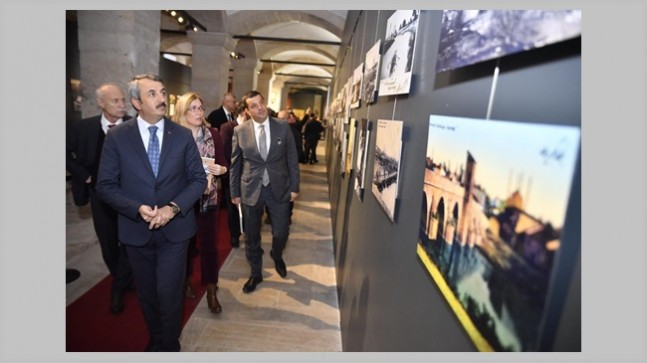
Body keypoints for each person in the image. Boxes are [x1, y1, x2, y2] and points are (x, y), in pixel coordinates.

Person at [96, 74, 207, 352]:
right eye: (152, 94)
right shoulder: (118, 136)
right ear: (136, 102)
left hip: (176, 231)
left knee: (168, 292)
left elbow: (198, 180)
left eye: (162, 92)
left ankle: (169, 345)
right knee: (146, 293)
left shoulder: (181, 135)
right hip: (136, 230)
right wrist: (136, 209)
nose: (161, 99)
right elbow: (106, 185)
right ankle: (157, 337)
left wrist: (172, 208)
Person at [66, 82, 134, 315]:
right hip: (99, 196)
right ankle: (120, 276)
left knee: (129, 240)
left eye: (123, 100)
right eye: (115, 100)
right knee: (107, 241)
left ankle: (119, 286)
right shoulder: (83, 128)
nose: (121, 104)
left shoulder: (134, 127)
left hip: (130, 197)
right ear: (100, 103)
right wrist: (84, 176)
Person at [230, 90, 300, 293]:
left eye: (261, 102)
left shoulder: (282, 126)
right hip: (251, 189)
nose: (260, 107)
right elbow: (235, 165)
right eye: (254, 105)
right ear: (247, 110)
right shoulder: (240, 131)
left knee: (281, 232)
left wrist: (295, 187)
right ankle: (256, 273)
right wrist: (235, 192)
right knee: (251, 236)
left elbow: (292, 159)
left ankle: (277, 255)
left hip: (279, 188)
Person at [172, 91, 228, 314]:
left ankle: (212, 289)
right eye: (192, 108)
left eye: (200, 108)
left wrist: (221, 169)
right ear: (182, 111)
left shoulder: (213, 134)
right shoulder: (174, 135)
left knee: (209, 245)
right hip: (181, 200)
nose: (197, 112)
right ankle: (185, 281)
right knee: (184, 244)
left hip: (208, 198)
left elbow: (224, 163)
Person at [219, 101, 250, 248]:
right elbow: (225, 151)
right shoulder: (228, 127)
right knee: (233, 209)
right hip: (233, 174)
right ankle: (235, 236)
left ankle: (250, 237)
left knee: (250, 208)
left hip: (250, 176)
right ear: (245, 112)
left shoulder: (253, 128)